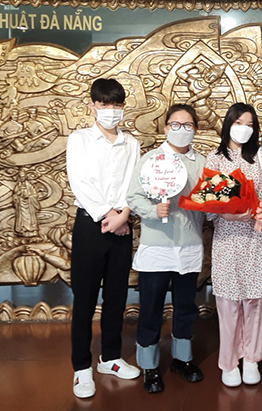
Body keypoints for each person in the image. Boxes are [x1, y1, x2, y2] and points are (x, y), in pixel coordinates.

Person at [66, 78, 141, 399]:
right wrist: (107, 216)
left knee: (116, 296)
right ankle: (81, 367)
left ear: (123, 106)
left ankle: (110, 357)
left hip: (121, 226)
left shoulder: (132, 143)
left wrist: (123, 215)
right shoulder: (80, 139)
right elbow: (79, 181)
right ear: (92, 104)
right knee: (84, 300)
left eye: (115, 103)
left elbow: (133, 182)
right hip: (89, 226)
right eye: (103, 103)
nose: (110, 110)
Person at [126, 104, 206, 394]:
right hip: (156, 246)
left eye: (187, 125)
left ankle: (182, 359)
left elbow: (211, 203)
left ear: (195, 129)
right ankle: (149, 364)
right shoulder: (151, 159)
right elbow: (133, 196)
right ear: (165, 127)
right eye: (175, 124)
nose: (181, 130)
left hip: (189, 246)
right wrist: (151, 209)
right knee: (151, 309)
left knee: (185, 307)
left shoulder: (202, 163)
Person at [205, 103, 262, 387]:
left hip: (256, 238)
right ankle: (229, 361)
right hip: (226, 239)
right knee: (228, 302)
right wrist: (226, 212)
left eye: (249, 123)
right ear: (228, 125)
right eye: (238, 122)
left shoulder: (260, 155)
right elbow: (208, 207)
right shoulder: (215, 158)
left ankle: (251, 359)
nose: (243, 127)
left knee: (256, 302)